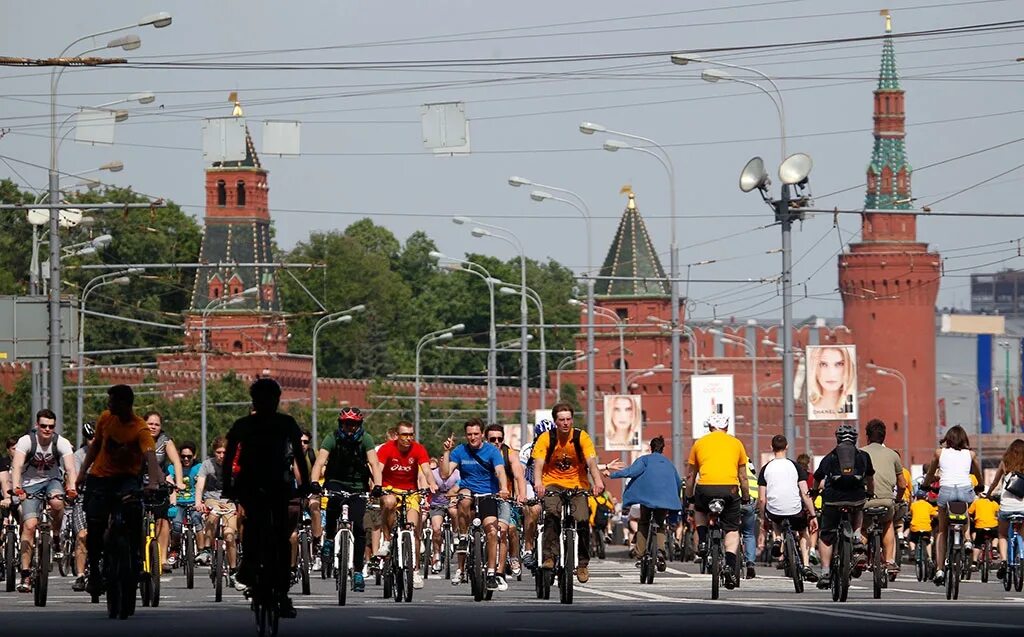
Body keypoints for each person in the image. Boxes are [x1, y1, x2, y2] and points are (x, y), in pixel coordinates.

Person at [222, 378, 310, 619]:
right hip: (274, 484)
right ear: (277, 399)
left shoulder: (243, 424)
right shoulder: (286, 423)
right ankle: (280, 593)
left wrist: (227, 486)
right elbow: (299, 459)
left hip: (253, 484)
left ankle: (249, 570)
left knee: (256, 529)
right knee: (279, 536)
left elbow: (229, 460)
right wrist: (306, 485)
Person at [76, 385, 164, 599]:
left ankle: (134, 559)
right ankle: (95, 572)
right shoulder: (106, 418)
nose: (109, 404)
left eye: (113, 400)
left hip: (127, 479)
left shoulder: (140, 428)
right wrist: (81, 473)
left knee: (134, 515)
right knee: (95, 524)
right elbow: (96, 446)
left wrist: (152, 483)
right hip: (100, 477)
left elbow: (150, 457)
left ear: (125, 404)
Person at [533, 403, 606, 584]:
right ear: (555, 421)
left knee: (582, 519)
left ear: (572, 420)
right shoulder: (546, 438)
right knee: (552, 514)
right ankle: (549, 556)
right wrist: (538, 483)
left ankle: (582, 564)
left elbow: (591, 462)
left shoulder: (581, 437)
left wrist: (597, 482)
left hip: (577, 485)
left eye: (568, 419)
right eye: (561, 420)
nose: (565, 423)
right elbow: (539, 464)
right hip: (552, 484)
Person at [310, 407, 379, 593]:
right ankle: (330, 539)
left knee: (359, 528)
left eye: (354, 424)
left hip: (358, 486)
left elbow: (374, 463)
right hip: (335, 482)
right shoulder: (332, 438)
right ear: (341, 424)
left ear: (359, 425)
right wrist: (315, 482)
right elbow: (320, 462)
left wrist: (378, 485)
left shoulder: (366, 439)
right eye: (347, 424)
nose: (350, 428)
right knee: (332, 506)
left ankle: (357, 571)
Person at [10, 408, 77, 593]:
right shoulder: (26, 441)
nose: (47, 429)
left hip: (52, 481)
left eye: (51, 426)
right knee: (29, 526)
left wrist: (71, 487)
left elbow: (70, 469)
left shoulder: (61, 442)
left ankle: (56, 535)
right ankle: (25, 575)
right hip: (29, 484)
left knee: (57, 502)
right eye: (43, 426)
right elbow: (16, 467)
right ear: (36, 426)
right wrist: (17, 487)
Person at [442, 418, 509, 591]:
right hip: (468, 491)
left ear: (482, 434)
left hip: (488, 494)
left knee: (492, 532)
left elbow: (500, 471)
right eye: (469, 434)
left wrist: (503, 488)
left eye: (476, 434)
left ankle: (492, 573)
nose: (473, 438)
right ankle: (463, 537)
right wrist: (447, 452)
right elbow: (445, 474)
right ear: (466, 435)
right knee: (463, 499)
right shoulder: (460, 451)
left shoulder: (492, 451)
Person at [685, 414, 750, 589]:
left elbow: (690, 475)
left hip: (705, 488)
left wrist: (689, 496)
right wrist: (745, 496)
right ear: (727, 427)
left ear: (709, 427)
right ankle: (729, 563)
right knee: (732, 529)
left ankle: (704, 540)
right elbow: (743, 476)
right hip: (730, 489)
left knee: (699, 510)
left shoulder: (699, 443)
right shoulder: (736, 443)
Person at [604, 435, 681, 572]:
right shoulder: (669, 464)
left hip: (647, 499)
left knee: (644, 522)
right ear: (662, 449)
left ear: (651, 448)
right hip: (664, 500)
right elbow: (678, 483)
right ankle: (660, 552)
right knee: (660, 523)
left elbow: (631, 472)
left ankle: (640, 554)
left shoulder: (644, 460)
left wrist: (611, 475)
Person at [375, 420, 437, 590]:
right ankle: (387, 540)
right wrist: (377, 487)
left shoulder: (418, 449)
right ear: (397, 435)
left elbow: (426, 470)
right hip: (390, 489)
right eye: (404, 435)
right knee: (388, 503)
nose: (408, 438)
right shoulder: (387, 448)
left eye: (411, 435)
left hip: (410, 492)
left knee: (413, 528)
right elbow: (378, 470)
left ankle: (415, 570)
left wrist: (432, 484)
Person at [813, 423, 874, 589]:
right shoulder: (863, 456)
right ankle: (855, 535)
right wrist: (870, 493)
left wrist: (813, 492)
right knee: (859, 507)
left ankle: (825, 572)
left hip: (833, 500)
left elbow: (818, 477)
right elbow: (869, 478)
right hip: (856, 498)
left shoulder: (830, 457)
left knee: (826, 536)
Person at [923, 424, 982, 585]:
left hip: (946, 492)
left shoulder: (939, 453)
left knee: (942, 530)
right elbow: (978, 473)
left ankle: (940, 569)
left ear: (947, 439)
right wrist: (981, 485)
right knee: (966, 511)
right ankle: (968, 539)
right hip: (964, 490)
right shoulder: (971, 454)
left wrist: (926, 484)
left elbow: (930, 473)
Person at [757, 434, 819, 583]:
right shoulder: (796, 466)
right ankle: (805, 565)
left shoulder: (765, 468)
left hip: (775, 511)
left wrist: (762, 518)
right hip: (795, 509)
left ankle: (778, 539)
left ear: (772, 448)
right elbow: (805, 494)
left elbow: (761, 499)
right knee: (803, 531)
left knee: (774, 518)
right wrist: (812, 515)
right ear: (787, 447)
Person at [859, 419, 907, 574]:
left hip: (866, 501)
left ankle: (859, 553)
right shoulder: (893, 455)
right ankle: (890, 561)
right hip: (886, 501)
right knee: (887, 523)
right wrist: (898, 499)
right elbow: (902, 484)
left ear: (867, 436)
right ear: (884, 437)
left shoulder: (860, 453)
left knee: (863, 527)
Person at [142, 411, 186, 572]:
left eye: (157, 424)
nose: (153, 427)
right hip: (140, 483)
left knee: (162, 519)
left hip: (159, 483)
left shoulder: (165, 441)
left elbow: (176, 462)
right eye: (150, 423)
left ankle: (162, 558)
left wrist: (179, 482)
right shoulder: (137, 438)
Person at [485, 423, 527, 588]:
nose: (496, 442)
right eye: (492, 439)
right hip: (484, 497)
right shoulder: (479, 453)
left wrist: (521, 494)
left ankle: (501, 571)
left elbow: (519, 476)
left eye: (499, 439)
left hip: (505, 498)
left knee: (506, 530)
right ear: (486, 439)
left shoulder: (510, 454)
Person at [194, 436, 239, 585]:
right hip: (211, 499)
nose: (221, 456)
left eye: (225, 452)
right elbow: (200, 485)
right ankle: (206, 549)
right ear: (214, 452)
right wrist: (198, 502)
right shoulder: (207, 464)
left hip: (229, 501)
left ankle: (233, 570)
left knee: (229, 535)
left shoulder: (235, 466)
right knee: (212, 517)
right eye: (218, 452)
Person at [984, 438, 1024, 581]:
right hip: (1023, 508)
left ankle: (1004, 560)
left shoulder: (1004, 463)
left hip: (1007, 507)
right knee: (1022, 533)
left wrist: (987, 495)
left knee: (1002, 535)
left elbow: (994, 483)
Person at [519, 419, 555, 570]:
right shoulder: (528, 450)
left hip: (551, 485)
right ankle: (527, 548)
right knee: (533, 511)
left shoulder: (558, 448)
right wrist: (522, 495)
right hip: (531, 484)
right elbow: (520, 473)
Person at [167, 440, 204, 569]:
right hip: (178, 502)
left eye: (189, 456)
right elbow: (169, 478)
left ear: (194, 455)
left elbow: (202, 482)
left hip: (195, 502)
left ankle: (202, 551)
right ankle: (174, 550)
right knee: (176, 525)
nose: (186, 459)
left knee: (197, 519)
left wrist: (200, 502)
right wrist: (171, 482)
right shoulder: (173, 467)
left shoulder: (199, 467)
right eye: (183, 456)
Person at [69, 421, 95, 592]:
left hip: (105, 497)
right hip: (83, 499)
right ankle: (80, 575)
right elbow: (74, 479)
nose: (94, 441)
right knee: (83, 535)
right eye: (90, 438)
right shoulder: (79, 455)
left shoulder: (110, 454)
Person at [428, 457, 459, 574]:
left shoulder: (457, 474)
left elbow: (460, 486)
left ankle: (456, 533)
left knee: (453, 512)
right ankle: (436, 554)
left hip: (452, 503)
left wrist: (454, 498)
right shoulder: (433, 474)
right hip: (437, 504)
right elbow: (425, 484)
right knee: (436, 529)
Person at [807, 346, 856, 420]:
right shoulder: (805, 409)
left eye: (839, 364)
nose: (831, 373)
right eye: (823, 364)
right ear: (814, 368)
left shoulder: (856, 408)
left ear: (848, 368)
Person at [968, 493, 999, 572]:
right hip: (993, 526)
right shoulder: (994, 503)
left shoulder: (976, 502)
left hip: (980, 526)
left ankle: (974, 563)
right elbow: (998, 514)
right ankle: (994, 548)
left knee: (978, 544)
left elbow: (969, 512)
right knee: (996, 536)